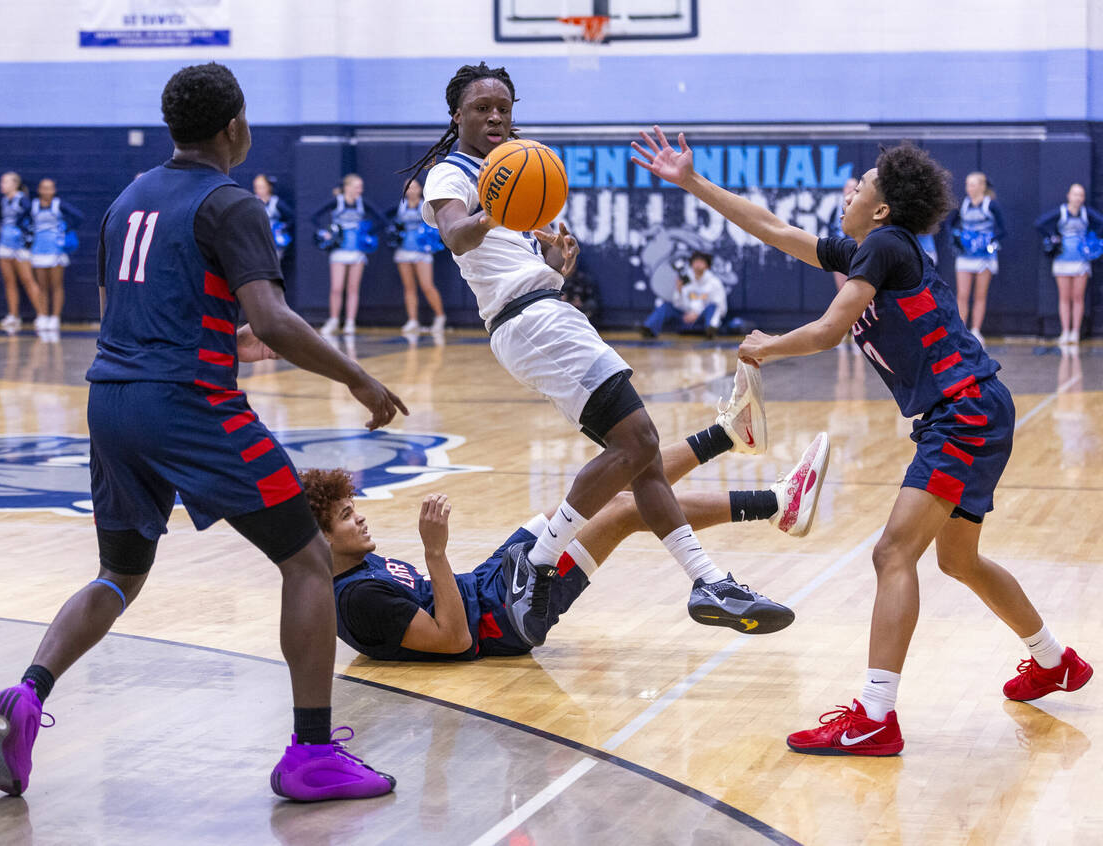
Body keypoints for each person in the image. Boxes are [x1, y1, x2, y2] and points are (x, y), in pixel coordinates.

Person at [0, 62, 407, 803]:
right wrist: (356, 377)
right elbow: (272, 318)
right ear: (234, 126)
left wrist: (211, 335)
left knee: (120, 573)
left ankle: (26, 695)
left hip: (111, 399)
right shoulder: (231, 203)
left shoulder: (125, 201)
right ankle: (310, 753)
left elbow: (119, 308)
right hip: (188, 403)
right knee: (306, 557)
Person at [631, 127, 1093, 756]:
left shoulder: (883, 246)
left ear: (880, 208)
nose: (849, 189)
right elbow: (771, 228)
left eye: (862, 184)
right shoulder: (872, 250)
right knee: (956, 559)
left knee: (891, 555)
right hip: (968, 411)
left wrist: (767, 346)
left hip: (964, 412)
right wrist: (690, 181)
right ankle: (1055, 661)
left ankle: (875, 716)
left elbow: (827, 330)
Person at [404, 62, 793, 646]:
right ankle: (536, 562)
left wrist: (553, 266)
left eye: (504, 107)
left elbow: (511, 261)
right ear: (456, 114)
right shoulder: (449, 175)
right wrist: (501, 211)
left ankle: (708, 581)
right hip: (531, 323)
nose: (494, 117)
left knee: (641, 456)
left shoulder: (508, 173)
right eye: (482, 107)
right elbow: (457, 235)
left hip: (542, 315)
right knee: (636, 443)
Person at [309, 425, 830, 662]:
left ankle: (727, 438)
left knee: (600, 492)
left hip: (487, 583)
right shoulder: (358, 598)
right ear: (321, 540)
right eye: (347, 516)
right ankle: (774, 502)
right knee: (625, 511)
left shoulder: (356, 570)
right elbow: (454, 641)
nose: (362, 519)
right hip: (502, 618)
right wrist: (436, 553)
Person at [311, 174, 385, 335]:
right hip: (339, 251)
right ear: (347, 187)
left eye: (361, 187)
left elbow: (382, 219)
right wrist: (326, 232)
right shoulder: (337, 201)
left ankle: (350, 322)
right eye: (357, 186)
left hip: (357, 251)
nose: (360, 190)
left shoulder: (362, 203)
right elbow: (314, 216)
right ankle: (334, 320)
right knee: (337, 288)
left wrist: (367, 233)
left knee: (353, 288)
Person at [1034, 183, 1103, 345]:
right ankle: (1065, 331)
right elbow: (1040, 223)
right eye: (1075, 194)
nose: (1078, 198)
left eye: (1081, 195)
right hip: (1062, 260)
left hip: (1081, 261)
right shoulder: (1061, 212)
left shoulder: (1086, 213)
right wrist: (1053, 236)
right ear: (1069, 196)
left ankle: (1075, 332)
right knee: (1064, 297)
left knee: (1078, 297)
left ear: (1083, 198)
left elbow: (1101, 223)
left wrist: (1092, 238)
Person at [950, 171, 1005, 345]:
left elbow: (1003, 229)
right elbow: (949, 225)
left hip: (984, 257)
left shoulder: (991, 205)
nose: (969, 188)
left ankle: (975, 331)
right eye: (967, 184)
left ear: (982, 186)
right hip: (966, 257)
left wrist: (988, 240)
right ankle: (961, 330)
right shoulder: (963, 204)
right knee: (962, 294)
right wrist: (958, 238)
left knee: (980, 295)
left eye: (973, 184)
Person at [28, 178, 85, 334]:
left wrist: (65, 229)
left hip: (56, 250)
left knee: (56, 285)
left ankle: (55, 317)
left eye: (50, 188)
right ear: (39, 189)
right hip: (39, 248)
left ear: (54, 190)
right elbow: (21, 221)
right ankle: (43, 315)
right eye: (44, 188)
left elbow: (79, 217)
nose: (47, 191)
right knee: (42, 286)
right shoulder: (33, 206)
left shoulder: (58, 205)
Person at [391, 177, 446, 334]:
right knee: (409, 288)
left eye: (414, 187)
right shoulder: (401, 206)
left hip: (422, 251)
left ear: (420, 189)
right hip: (403, 251)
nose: (411, 190)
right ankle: (413, 320)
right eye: (408, 188)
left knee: (427, 286)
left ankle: (440, 317)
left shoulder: (426, 206)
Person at [0, 171, 42, 333]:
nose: (2, 185)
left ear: (15, 184)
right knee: (9, 282)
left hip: (20, 245)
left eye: (5, 182)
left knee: (28, 280)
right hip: (4, 243)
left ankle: (41, 315)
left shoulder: (23, 200)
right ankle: (13, 315)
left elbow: (31, 217)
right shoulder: (3, 201)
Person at [641, 250, 726, 338]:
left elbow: (721, 308)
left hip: (703, 320)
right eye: (695, 262)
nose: (697, 265)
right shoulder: (685, 281)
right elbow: (678, 304)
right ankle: (649, 328)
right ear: (691, 264)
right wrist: (679, 291)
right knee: (666, 306)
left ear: (707, 266)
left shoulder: (715, 283)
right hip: (685, 318)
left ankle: (711, 331)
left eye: (701, 262)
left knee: (713, 307)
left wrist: (696, 314)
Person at [829, 176, 860, 291]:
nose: (850, 189)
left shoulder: (862, 209)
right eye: (848, 187)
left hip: (855, 253)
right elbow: (830, 229)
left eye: (853, 187)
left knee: (855, 291)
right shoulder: (836, 209)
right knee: (842, 291)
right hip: (838, 252)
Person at [253, 173, 293, 262]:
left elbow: (290, 217)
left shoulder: (276, 202)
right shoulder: (252, 201)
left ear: (269, 187)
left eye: (262, 187)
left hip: (274, 241)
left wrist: (282, 227)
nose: (259, 190)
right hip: (257, 240)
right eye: (257, 187)